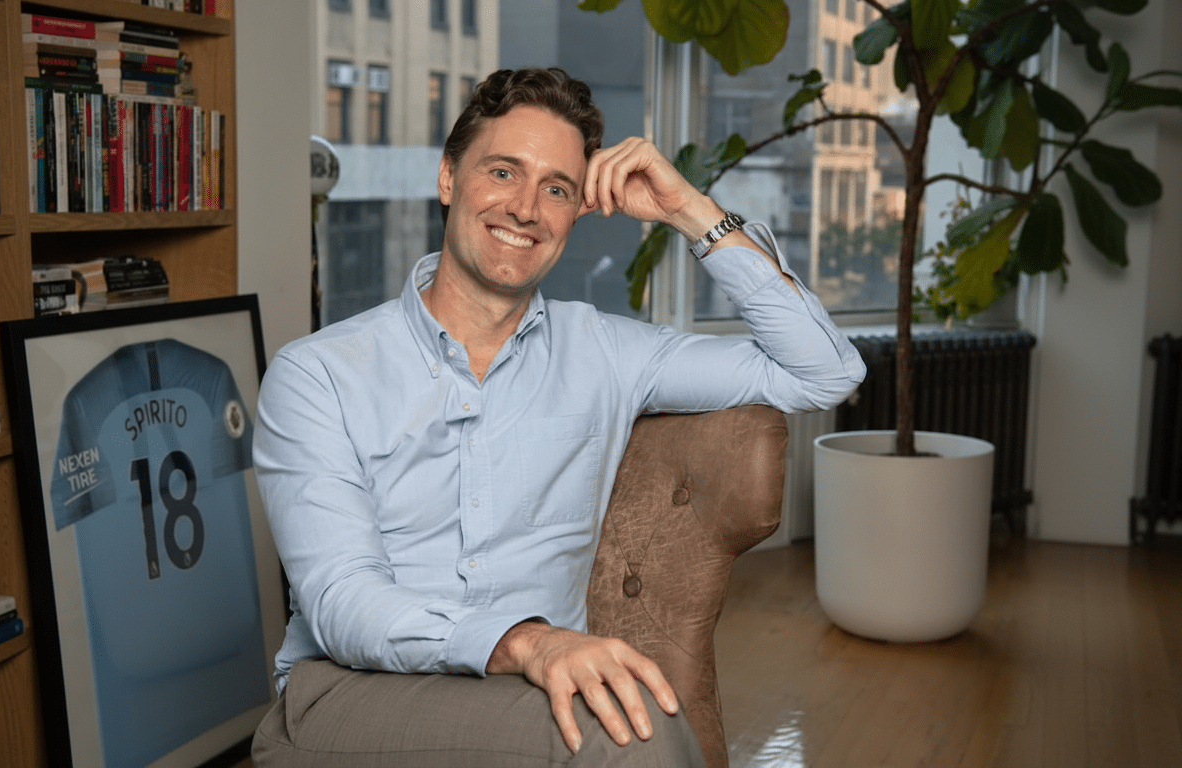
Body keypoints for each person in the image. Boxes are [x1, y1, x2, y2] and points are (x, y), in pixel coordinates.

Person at [252, 67, 865, 767]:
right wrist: (529, 642)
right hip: (348, 694)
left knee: (642, 718)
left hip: (521, 705)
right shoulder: (318, 374)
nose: (525, 208)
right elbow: (342, 602)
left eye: (556, 189)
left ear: (577, 213)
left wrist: (691, 210)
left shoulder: (606, 352)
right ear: (448, 178)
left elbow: (826, 370)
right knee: (636, 735)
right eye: (504, 172)